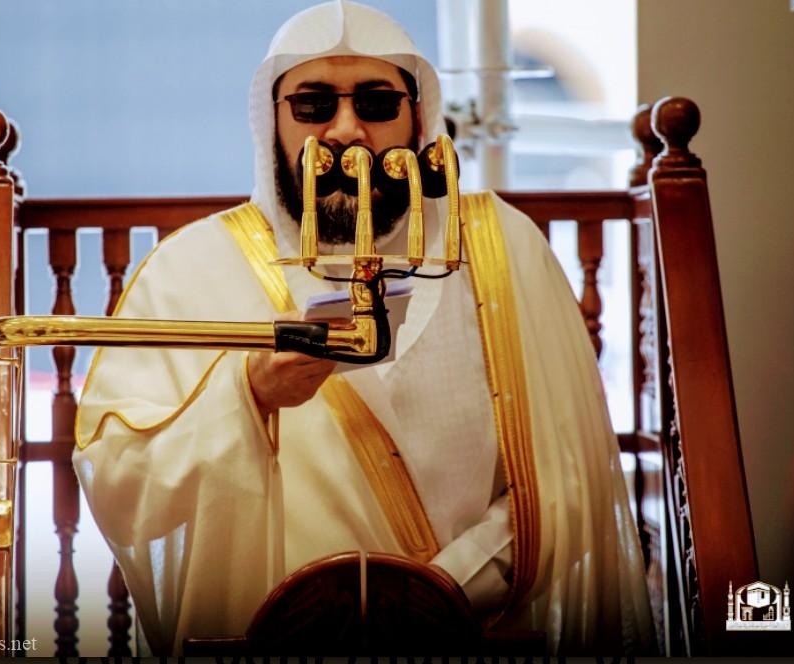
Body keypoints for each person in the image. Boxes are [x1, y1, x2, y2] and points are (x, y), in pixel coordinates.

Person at [74, 0, 655, 655]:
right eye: (313, 105)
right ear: (272, 120)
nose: (347, 132)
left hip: (468, 632)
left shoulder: (501, 248)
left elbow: (567, 475)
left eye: (377, 104)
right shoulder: (193, 268)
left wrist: (439, 594)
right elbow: (119, 473)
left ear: (419, 117)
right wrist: (250, 396)